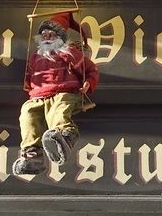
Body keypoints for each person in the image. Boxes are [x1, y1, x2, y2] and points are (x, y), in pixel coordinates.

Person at [11, 11, 99, 177]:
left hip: (63, 91)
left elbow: (90, 69)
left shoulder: (70, 53)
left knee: (58, 111)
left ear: (60, 37)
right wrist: (29, 85)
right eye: (44, 34)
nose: (47, 37)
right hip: (38, 95)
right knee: (27, 114)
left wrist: (89, 83)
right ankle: (32, 153)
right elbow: (30, 76)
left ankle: (65, 135)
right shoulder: (35, 57)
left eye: (51, 34)